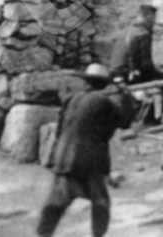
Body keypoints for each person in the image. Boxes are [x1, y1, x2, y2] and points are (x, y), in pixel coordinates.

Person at [36, 63, 137, 237]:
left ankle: (42, 234)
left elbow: (60, 130)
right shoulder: (103, 102)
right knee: (100, 202)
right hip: (88, 161)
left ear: (86, 81)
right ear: (104, 83)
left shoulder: (72, 99)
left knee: (56, 201)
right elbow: (125, 121)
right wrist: (126, 95)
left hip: (63, 156)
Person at [109, 4, 163, 120]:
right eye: (153, 20)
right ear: (148, 18)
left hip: (114, 76)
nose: (153, 24)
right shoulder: (143, 33)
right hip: (130, 77)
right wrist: (160, 76)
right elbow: (146, 66)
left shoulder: (122, 32)